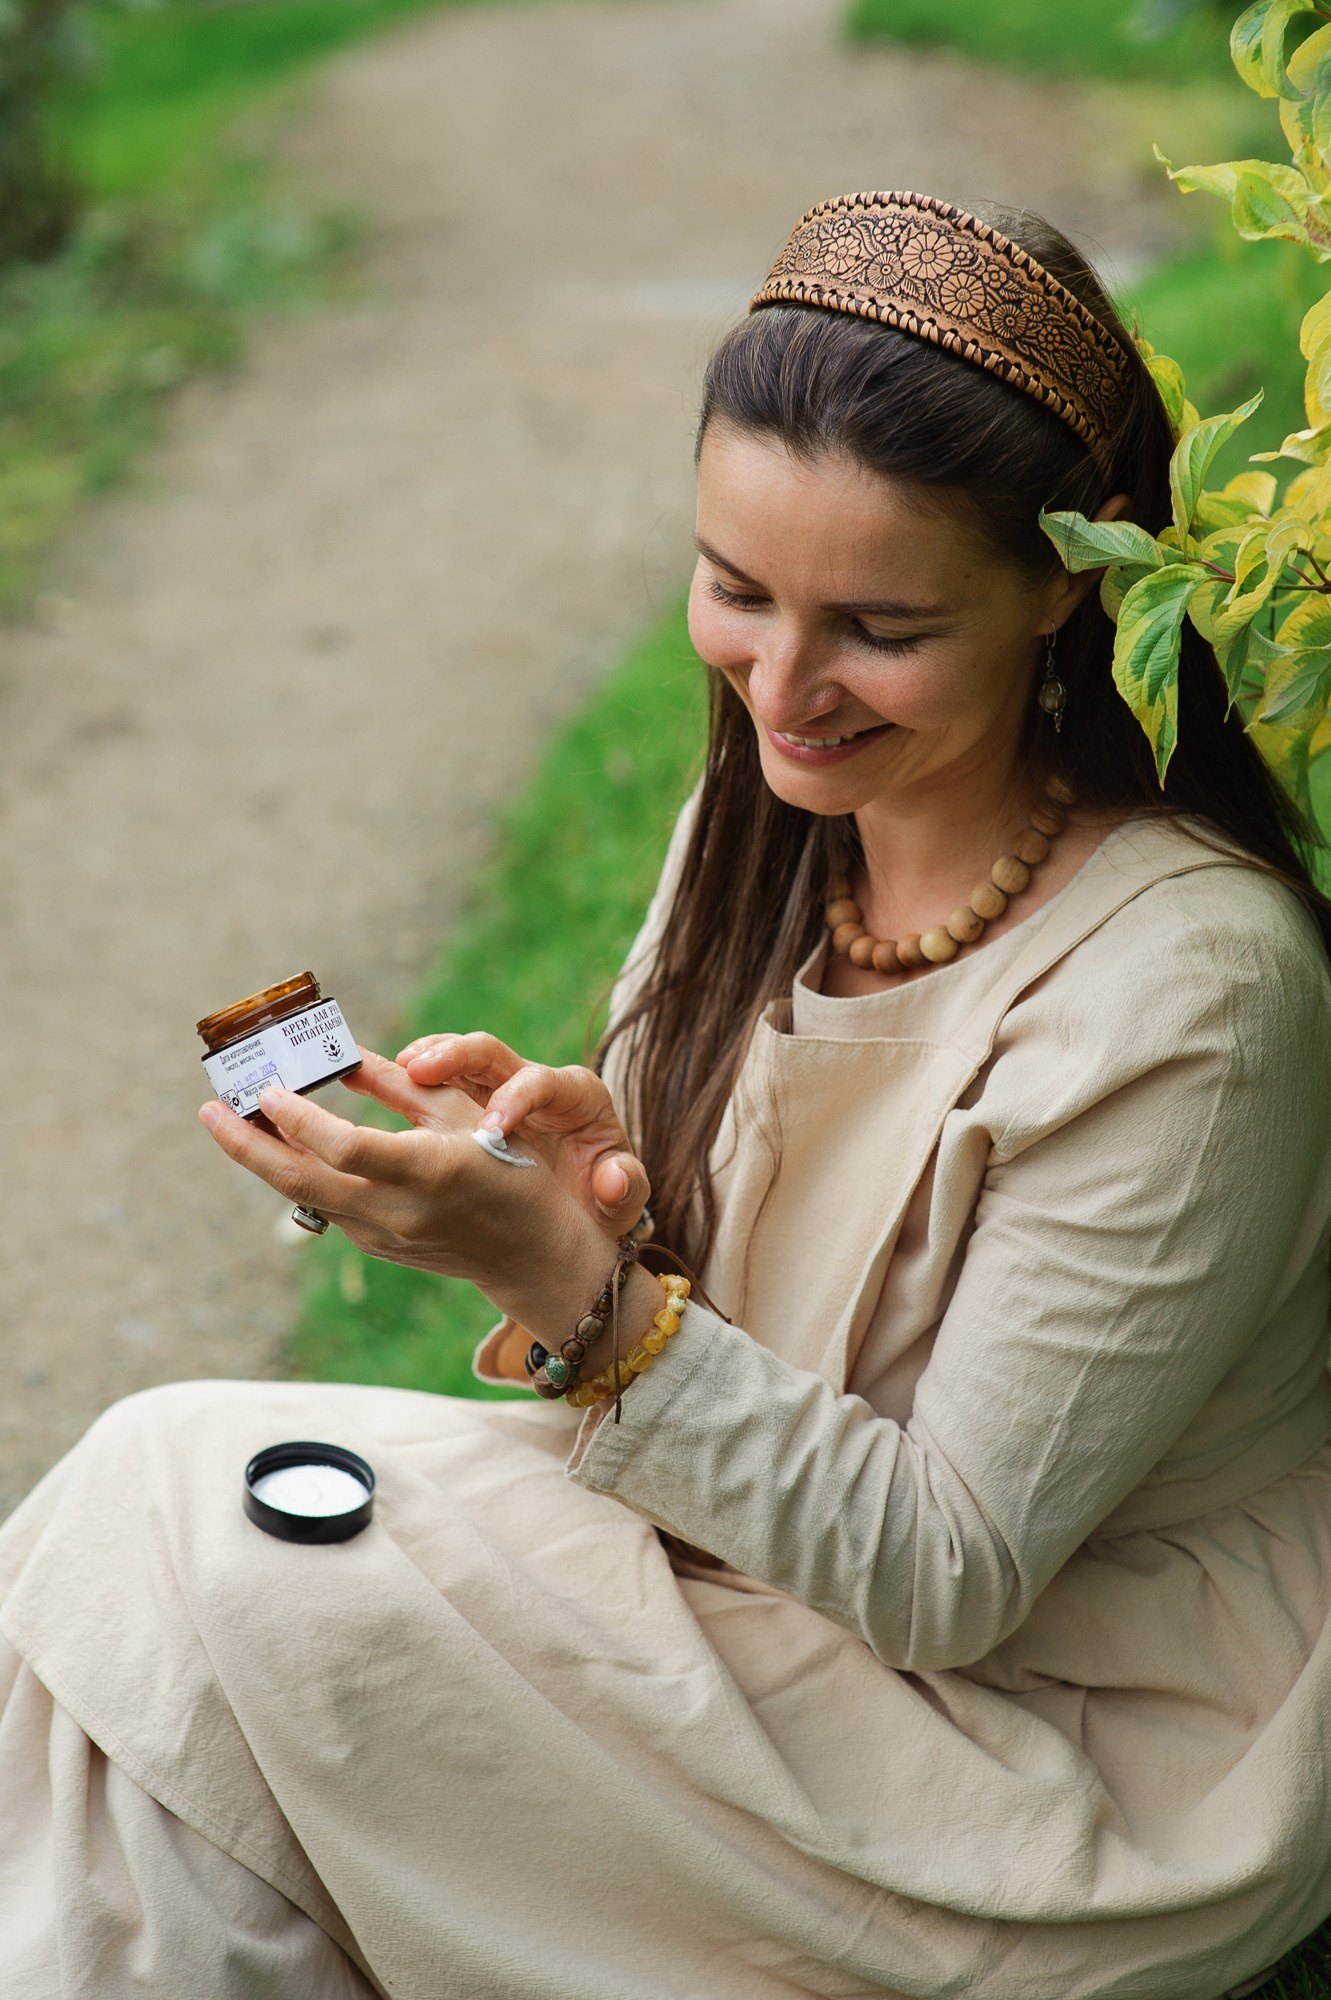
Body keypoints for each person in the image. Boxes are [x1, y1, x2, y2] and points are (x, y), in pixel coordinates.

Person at [2, 189, 1330, 2000]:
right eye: (735, 590)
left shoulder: (1200, 989)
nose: (783, 685)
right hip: (756, 1585)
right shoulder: (776, 832)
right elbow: (744, 1323)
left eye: (878, 623)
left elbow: (949, 1572)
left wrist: (568, 1285)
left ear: (1065, 591)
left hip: (1058, 1755)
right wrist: (593, 1181)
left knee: (186, 1548)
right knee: (152, 1592)